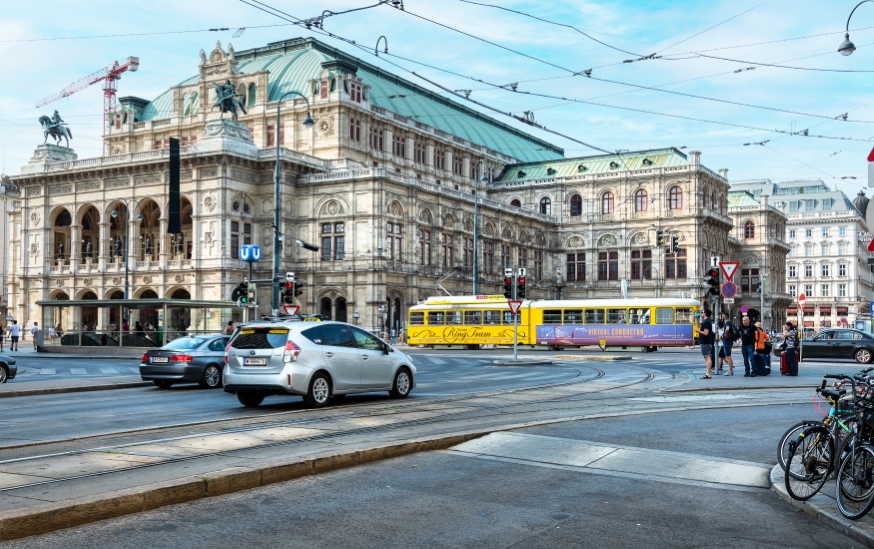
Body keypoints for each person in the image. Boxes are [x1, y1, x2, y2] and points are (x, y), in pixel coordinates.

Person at [699, 309, 715, 379]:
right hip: (706, 342)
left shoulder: (706, 322)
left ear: (705, 313)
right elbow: (699, 325)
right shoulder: (706, 321)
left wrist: (698, 331)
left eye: (702, 312)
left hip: (705, 342)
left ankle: (708, 373)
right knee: (707, 357)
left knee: (707, 357)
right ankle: (708, 373)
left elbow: (706, 333)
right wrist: (697, 318)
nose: (701, 313)